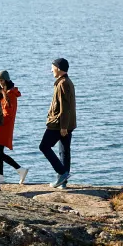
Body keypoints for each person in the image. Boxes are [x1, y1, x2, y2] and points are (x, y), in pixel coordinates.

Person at [41, 57, 76, 188]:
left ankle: (62, 173)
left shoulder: (63, 84)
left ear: (59, 69)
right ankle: (63, 182)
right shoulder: (66, 81)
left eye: (53, 67)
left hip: (59, 123)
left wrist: (63, 127)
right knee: (64, 151)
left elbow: (65, 107)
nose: (51, 70)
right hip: (67, 123)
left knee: (44, 146)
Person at [0, 70, 29, 185]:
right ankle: (1, 177)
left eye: (1, 80)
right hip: (1, 125)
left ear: (6, 80)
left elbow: (8, 114)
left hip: (3, 126)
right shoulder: (3, 92)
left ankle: (19, 169)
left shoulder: (10, 94)